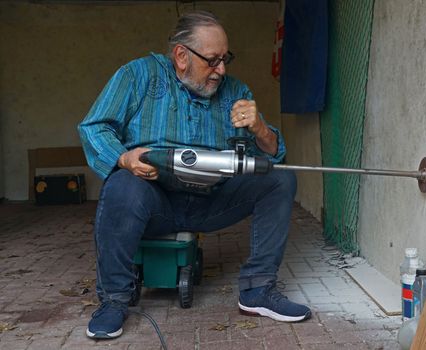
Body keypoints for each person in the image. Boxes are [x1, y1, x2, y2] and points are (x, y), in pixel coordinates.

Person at [79, 10, 311, 340]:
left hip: (211, 201)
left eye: (226, 58)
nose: (222, 70)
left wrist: (260, 128)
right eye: (213, 60)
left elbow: (272, 154)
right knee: (121, 183)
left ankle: (258, 290)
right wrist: (124, 157)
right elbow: (94, 127)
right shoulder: (139, 76)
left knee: (280, 178)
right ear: (181, 56)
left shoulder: (234, 91)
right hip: (154, 200)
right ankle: (114, 301)